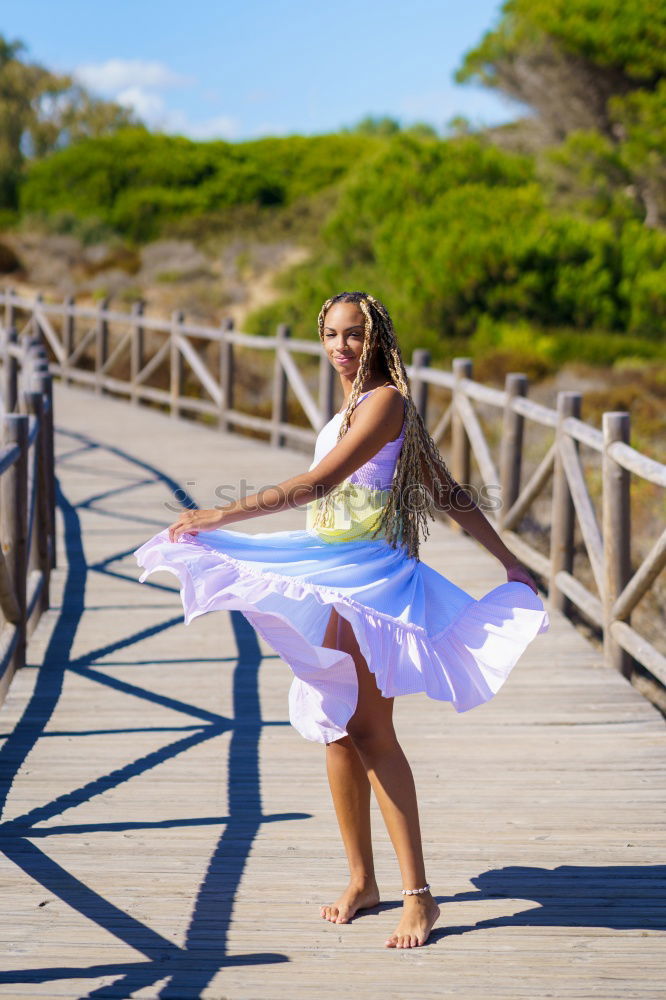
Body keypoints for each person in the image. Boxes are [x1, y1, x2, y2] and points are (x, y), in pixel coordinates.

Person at [134, 290, 549, 949]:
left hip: (367, 579)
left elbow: (324, 484)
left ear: (376, 335)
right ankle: (363, 879)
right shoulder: (356, 404)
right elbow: (444, 489)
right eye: (330, 333)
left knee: (371, 730)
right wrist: (506, 556)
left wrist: (219, 515)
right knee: (334, 725)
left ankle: (419, 896)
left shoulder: (385, 401)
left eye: (353, 334)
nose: (340, 346)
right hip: (332, 571)